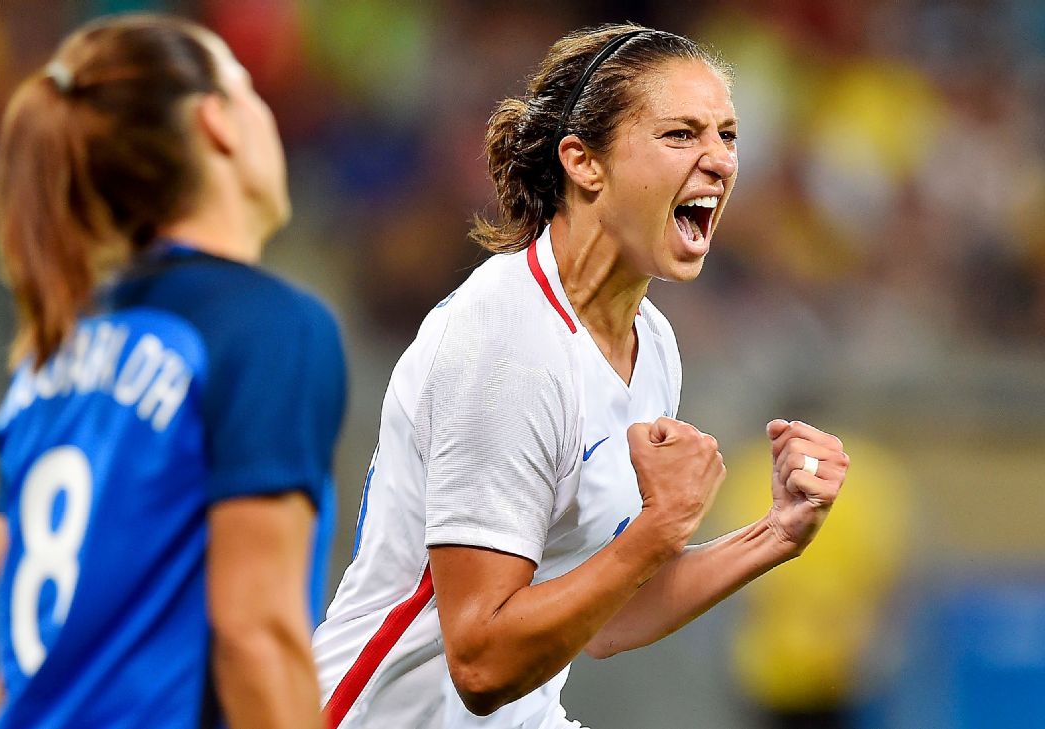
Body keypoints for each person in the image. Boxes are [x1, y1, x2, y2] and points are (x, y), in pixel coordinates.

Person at [312, 22, 851, 729]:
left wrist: (774, 534)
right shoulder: (505, 339)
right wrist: (658, 529)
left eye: (728, 135)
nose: (719, 160)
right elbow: (478, 661)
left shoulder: (651, 341)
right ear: (583, 163)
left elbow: (603, 613)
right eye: (682, 134)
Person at [0, 14, 345, 729]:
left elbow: (11, 673)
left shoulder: (45, 356)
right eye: (247, 87)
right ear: (218, 122)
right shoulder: (266, 327)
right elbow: (257, 634)